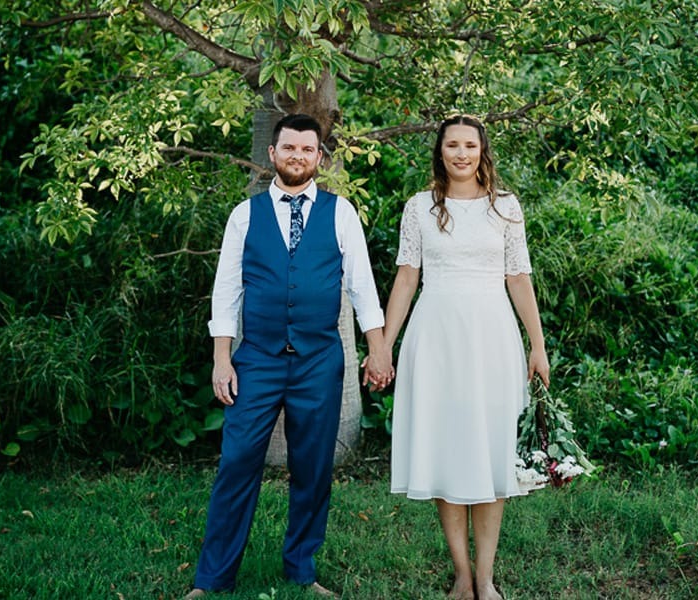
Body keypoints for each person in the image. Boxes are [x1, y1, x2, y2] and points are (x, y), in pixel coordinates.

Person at [185, 113, 393, 599]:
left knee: (313, 467)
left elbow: (363, 288)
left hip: (320, 360)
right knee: (237, 462)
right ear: (273, 154)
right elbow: (227, 291)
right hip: (255, 359)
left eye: (307, 149)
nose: (298, 156)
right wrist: (222, 358)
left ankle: (301, 569)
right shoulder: (245, 214)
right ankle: (213, 578)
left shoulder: (341, 214)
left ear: (319, 157)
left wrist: (378, 349)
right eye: (289, 148)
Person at [374, 115, 550, 600]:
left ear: (482, 151)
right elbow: (407, 278)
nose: (461, 154)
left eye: (469, 145)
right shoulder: (420, 208)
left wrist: (538, 345)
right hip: (436, 341)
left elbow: (519, 278)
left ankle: (488, 578)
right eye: (452, 145)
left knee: (492, 455)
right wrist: (385, 345)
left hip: (492, 340)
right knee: (448, 454)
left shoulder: (506, 208)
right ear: (440, 152)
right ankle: (462, 576)